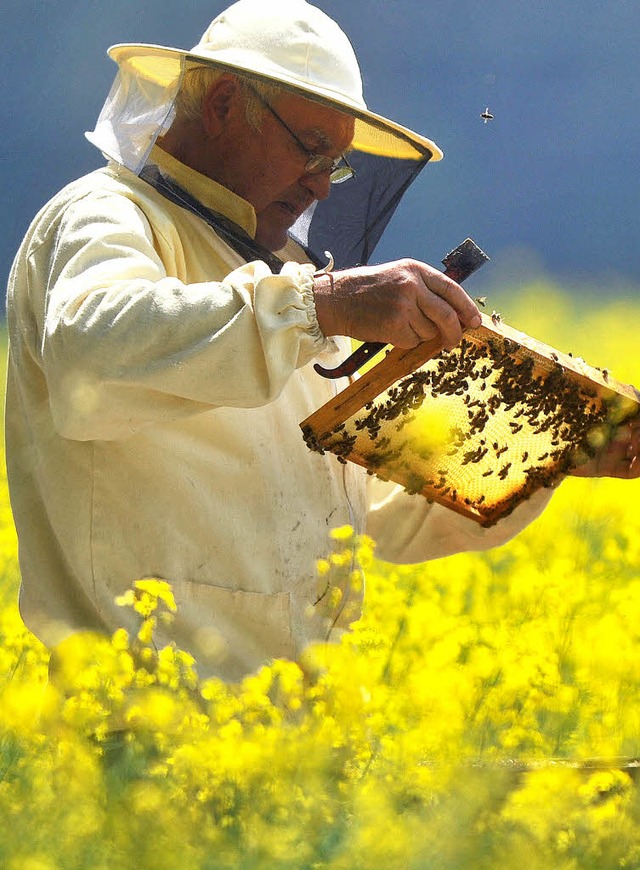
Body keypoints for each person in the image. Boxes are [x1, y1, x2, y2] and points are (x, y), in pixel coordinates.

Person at [5, 0, 639, 682]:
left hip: (293, 745)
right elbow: (91, 360)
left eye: (333, 164)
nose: (316, 186)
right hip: (134, 731)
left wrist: (550, 449)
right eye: (311, 148)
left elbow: (365, 516)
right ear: (220, 103)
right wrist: (323, 304)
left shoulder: (285, 281)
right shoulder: (105, 214)